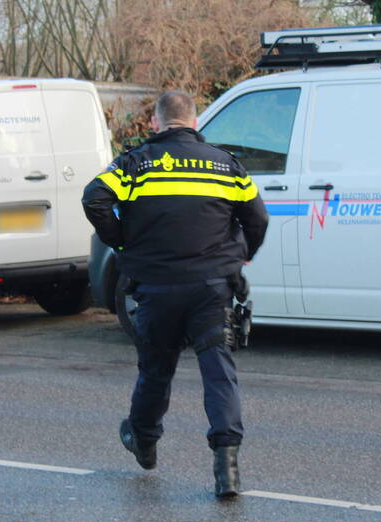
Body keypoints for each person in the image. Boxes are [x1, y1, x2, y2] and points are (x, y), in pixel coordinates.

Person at [82, 90, 269, 498]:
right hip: (211, 288)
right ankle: (227, 469)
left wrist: (123, 242)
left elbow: (94, 198)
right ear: (195, 122)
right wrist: (240, 256)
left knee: (155, 369)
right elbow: (257, 218)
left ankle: (144, 440)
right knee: (218, 371)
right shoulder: (225, 164)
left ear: (155, 122)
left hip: (156, 287)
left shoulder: (135, 163)